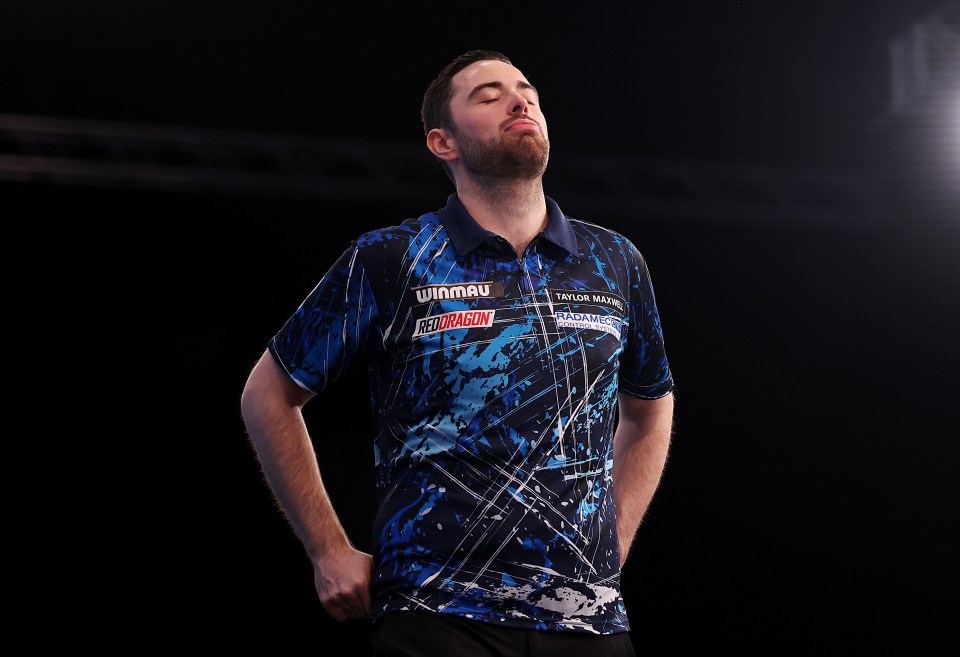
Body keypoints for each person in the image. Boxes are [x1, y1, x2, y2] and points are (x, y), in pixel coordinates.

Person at [240, 49, 676, 657]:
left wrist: (613, 542)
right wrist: (327, 549)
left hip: (589, 622)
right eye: (488, 94)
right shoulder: (392, 256)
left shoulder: (614, 261)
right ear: (442, 142)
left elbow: (651, 408)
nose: (520, 100)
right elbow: (268, 394)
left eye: (526, 90)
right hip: (436, 614)